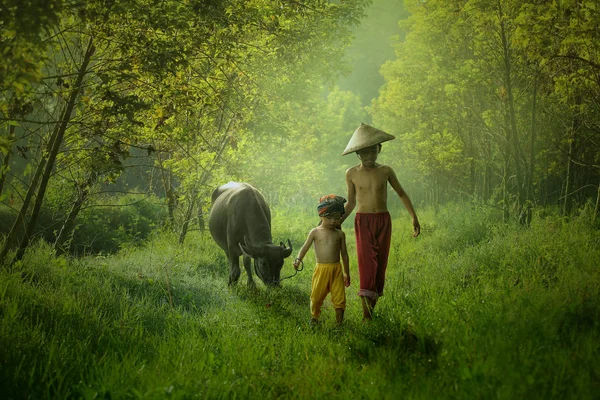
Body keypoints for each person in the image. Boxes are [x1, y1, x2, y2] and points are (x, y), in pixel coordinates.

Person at [341, 123, 420, 321]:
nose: (369, 157)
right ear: (358, 153)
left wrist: (413, 217)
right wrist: (336, 221)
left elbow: (401, 193)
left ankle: (371, 312)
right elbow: (350, 203)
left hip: (383, 221)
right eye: (365, 153)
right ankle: (366, 317)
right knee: (367, 265)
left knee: (380, 265)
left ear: (379, 149)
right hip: (363, 222)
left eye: (373, 151)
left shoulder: (386, 171)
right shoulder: (351, 173)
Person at [293, 195, 350, 325]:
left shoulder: (340, 234)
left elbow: (345, 254)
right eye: (329, 218)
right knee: (316, 297)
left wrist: (347, 273)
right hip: (321, 270)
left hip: (336, 270)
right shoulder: (315, 232)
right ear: (321, 216)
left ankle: (339, 323)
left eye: (336, 218)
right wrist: (298, 260)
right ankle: (314, 318)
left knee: (339, 298)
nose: (332, 221)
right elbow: (304, 248)